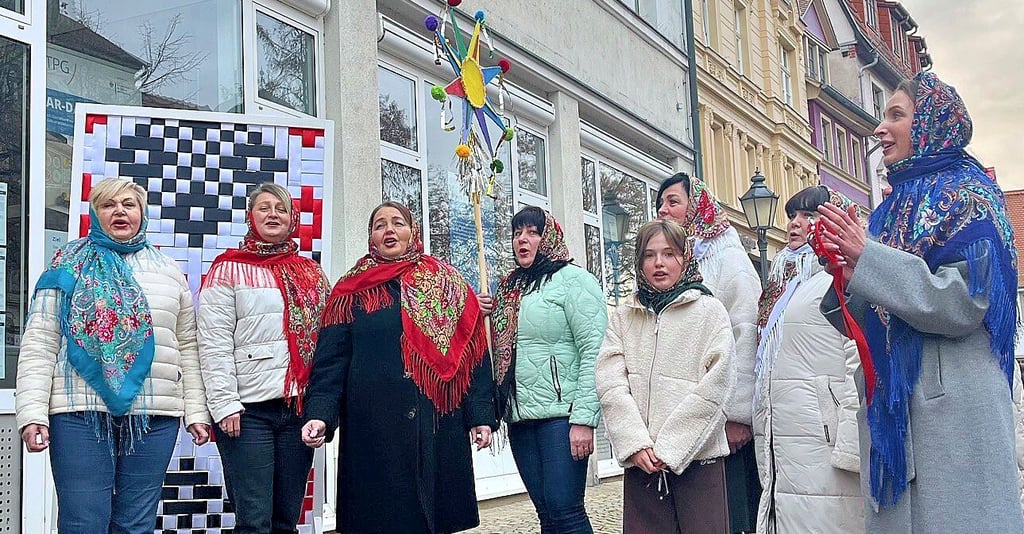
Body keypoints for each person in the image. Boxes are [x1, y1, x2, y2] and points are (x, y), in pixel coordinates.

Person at [817, 72, 1024, 532]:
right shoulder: (894, 208)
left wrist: (867, 258)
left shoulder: (971, 197)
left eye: (896, 115)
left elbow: (967, 303)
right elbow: (875, 315)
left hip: (955, 418)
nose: (879, 128)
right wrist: (845, 272)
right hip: (898, 413)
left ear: (930, 123)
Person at [15, 177, 211, 533]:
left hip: (155, 414)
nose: (119, 211)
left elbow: (187, 347)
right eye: (108, 205)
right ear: (95, 213)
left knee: (136, 524)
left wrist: (197, 410)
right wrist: (31, 414)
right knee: (83, 522)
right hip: (79, 412)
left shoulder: (168, 271)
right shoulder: (65, 264)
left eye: (129, 204)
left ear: (142, 213)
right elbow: (40, 341)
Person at [299, 201, 496, 534]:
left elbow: (473, 358)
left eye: (397, 223)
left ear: (412, 231)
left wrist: (480, 416)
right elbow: (331, 362)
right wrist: (319, 413)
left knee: (431, 518)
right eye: (379, 225)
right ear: (371, 238)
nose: (389, 230)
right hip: (374, 431)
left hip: (436, 425)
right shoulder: (350, 292)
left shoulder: (447, 282)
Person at [197, 183, 329, 534]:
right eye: (264, 208)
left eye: (281, 209)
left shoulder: (311, 272)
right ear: (249, 217)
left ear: (292, 219)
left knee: (286, 519)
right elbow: (213, 341)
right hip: (248, 411)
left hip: (298, 410)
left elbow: (329, 336)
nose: (273, 214)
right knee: (254, 521)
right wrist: (224, 404)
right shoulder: (227, 269)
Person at [596, 219, 735, 533]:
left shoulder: (709, 312)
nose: (659, 263)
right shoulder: (624, 316)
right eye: (649, 255)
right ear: (639, 262)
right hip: (642, 465)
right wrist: (635, 444)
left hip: (698, 464)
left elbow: (717, 387)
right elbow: (610, 382)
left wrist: (671, 448)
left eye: (669, 254)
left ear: (684, 258)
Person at [481, 206, 606, 534]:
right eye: (517, 232)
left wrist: (584, 419)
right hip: (521, 419)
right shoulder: (511, 289)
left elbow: (595, 351)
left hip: (561, 418)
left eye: (532, 231)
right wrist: (479, 310)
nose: (522, 239)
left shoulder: (575, 281)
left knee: (566, 511)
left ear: (548, 236)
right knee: (547, 513)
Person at [751, 185, 863, 533]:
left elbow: (859, 356)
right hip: (785, 436)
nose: (796, 224)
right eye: (793, 215)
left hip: (824, 439)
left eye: (809, 215)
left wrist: (851, 445)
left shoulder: (843, 275)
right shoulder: (782, 283)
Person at [656, 173, 762, 530]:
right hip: (684, 416)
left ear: (697, 205)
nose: (663, 209)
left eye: (673, 201)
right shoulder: (676, 263)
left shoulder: (728, 259)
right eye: (661, 203)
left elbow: (746, 333)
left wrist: (738, 415)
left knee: (728, 514)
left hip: (721, 420)